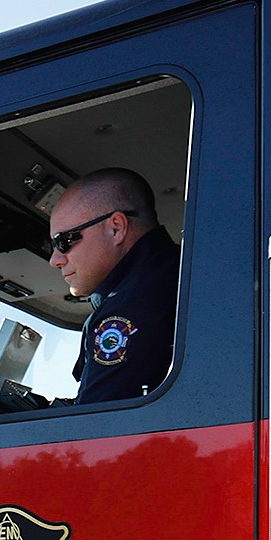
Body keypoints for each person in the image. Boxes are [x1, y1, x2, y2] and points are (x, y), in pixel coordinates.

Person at [46, 167, 181, 406]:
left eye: (63, 241)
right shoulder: (177, 275)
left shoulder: (131, 306)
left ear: (116, 228)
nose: (55, 260)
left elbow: (96, 429)